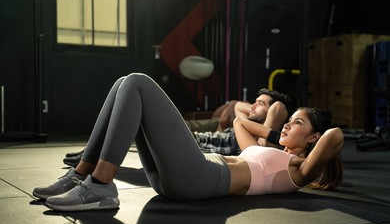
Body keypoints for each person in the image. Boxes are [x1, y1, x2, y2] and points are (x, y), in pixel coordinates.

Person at [33, 73, 344, 212]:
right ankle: (81, 175)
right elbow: (238, 122)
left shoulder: (297, 170)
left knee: (139, 83)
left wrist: (294, 140)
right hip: (186, 175)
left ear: (313, 138)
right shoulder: (268, 154)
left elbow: (335, 135)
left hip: (200, 177)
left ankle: (100, 186)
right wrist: (277, 137)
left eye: (298, 123)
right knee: (123, 84)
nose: (288, 123)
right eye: (290, 120)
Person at [62, 88, 290, 167]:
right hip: (192, 136)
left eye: (260, 104)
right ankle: (89, 155)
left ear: (272, 112)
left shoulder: (260, 141)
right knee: (133, 121)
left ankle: (89, 158)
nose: (252, 106)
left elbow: (278, 108)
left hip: (191, 144)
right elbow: (237, 106)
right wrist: (258, 106)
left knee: (138, 110)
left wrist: (273, 106)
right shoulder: (246, 123)